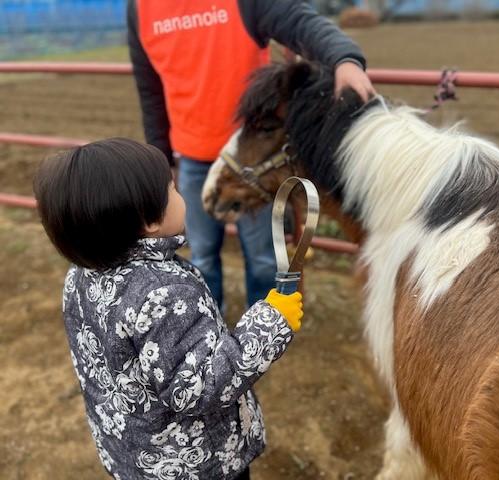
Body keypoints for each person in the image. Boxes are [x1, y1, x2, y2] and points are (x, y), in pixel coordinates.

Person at [33, 138, 304, 480]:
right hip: (197, 464)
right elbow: (199, 387)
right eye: (172, 190)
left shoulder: (80, 276)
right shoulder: (165, 293)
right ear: (148, 222)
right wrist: (270, 323)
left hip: (133, 454)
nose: (181, 198)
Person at [127, 0, 375, 310]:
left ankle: (264, 336)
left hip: (253, 158)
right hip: (192, 156)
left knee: (262, 259)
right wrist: (160, 165)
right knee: (201, 254)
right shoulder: (140, 9)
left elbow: (299, 21)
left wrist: (345, 59)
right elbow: (150, 92)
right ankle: (205, 331)